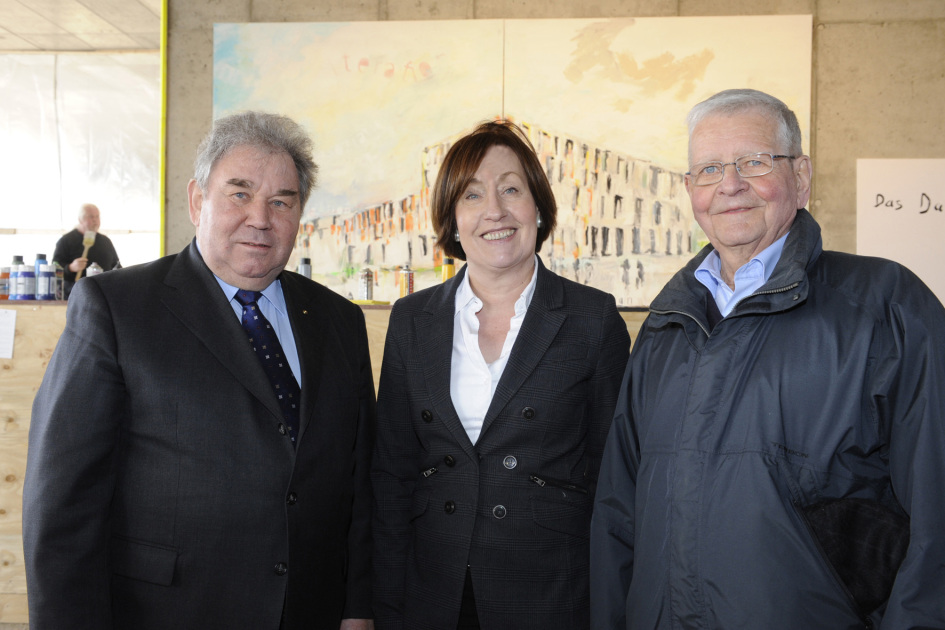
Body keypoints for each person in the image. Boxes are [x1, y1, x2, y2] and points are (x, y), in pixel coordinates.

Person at [590, 89, 945, 629]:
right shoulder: (665, 326)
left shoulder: (884, 306)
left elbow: (937, 518)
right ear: (690, 190)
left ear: (801, 177)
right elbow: (619, 515)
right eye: (708, 169)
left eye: (753, 162)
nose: (729, 185)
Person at [24, 112, 375, 630]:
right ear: (197, 201)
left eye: (282, 200)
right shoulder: (117, 308)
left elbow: (360, 483)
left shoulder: (338, 320)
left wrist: (358, 609)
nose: (261, 217)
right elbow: (62, 504)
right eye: (239, 193)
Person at [372, 120, 631, 630]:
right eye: (471, 195)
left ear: (537, 206)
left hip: (553, 591)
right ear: (452, 217)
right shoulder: (410, 320)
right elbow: (392, 475)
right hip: (432, 591)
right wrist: (383, 604)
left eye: (511, 189)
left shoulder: (592, 319)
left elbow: (616, 480)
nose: (495, 210)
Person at [52, 202, 121, 298]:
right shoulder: (66, 241)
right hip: (76, 295)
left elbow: (117, 266)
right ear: (80, 219)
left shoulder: (105, 241)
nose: (95, 220)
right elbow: (54, 268)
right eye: (91, 217)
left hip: (103, 294)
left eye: (97, 217)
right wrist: (71, 267)